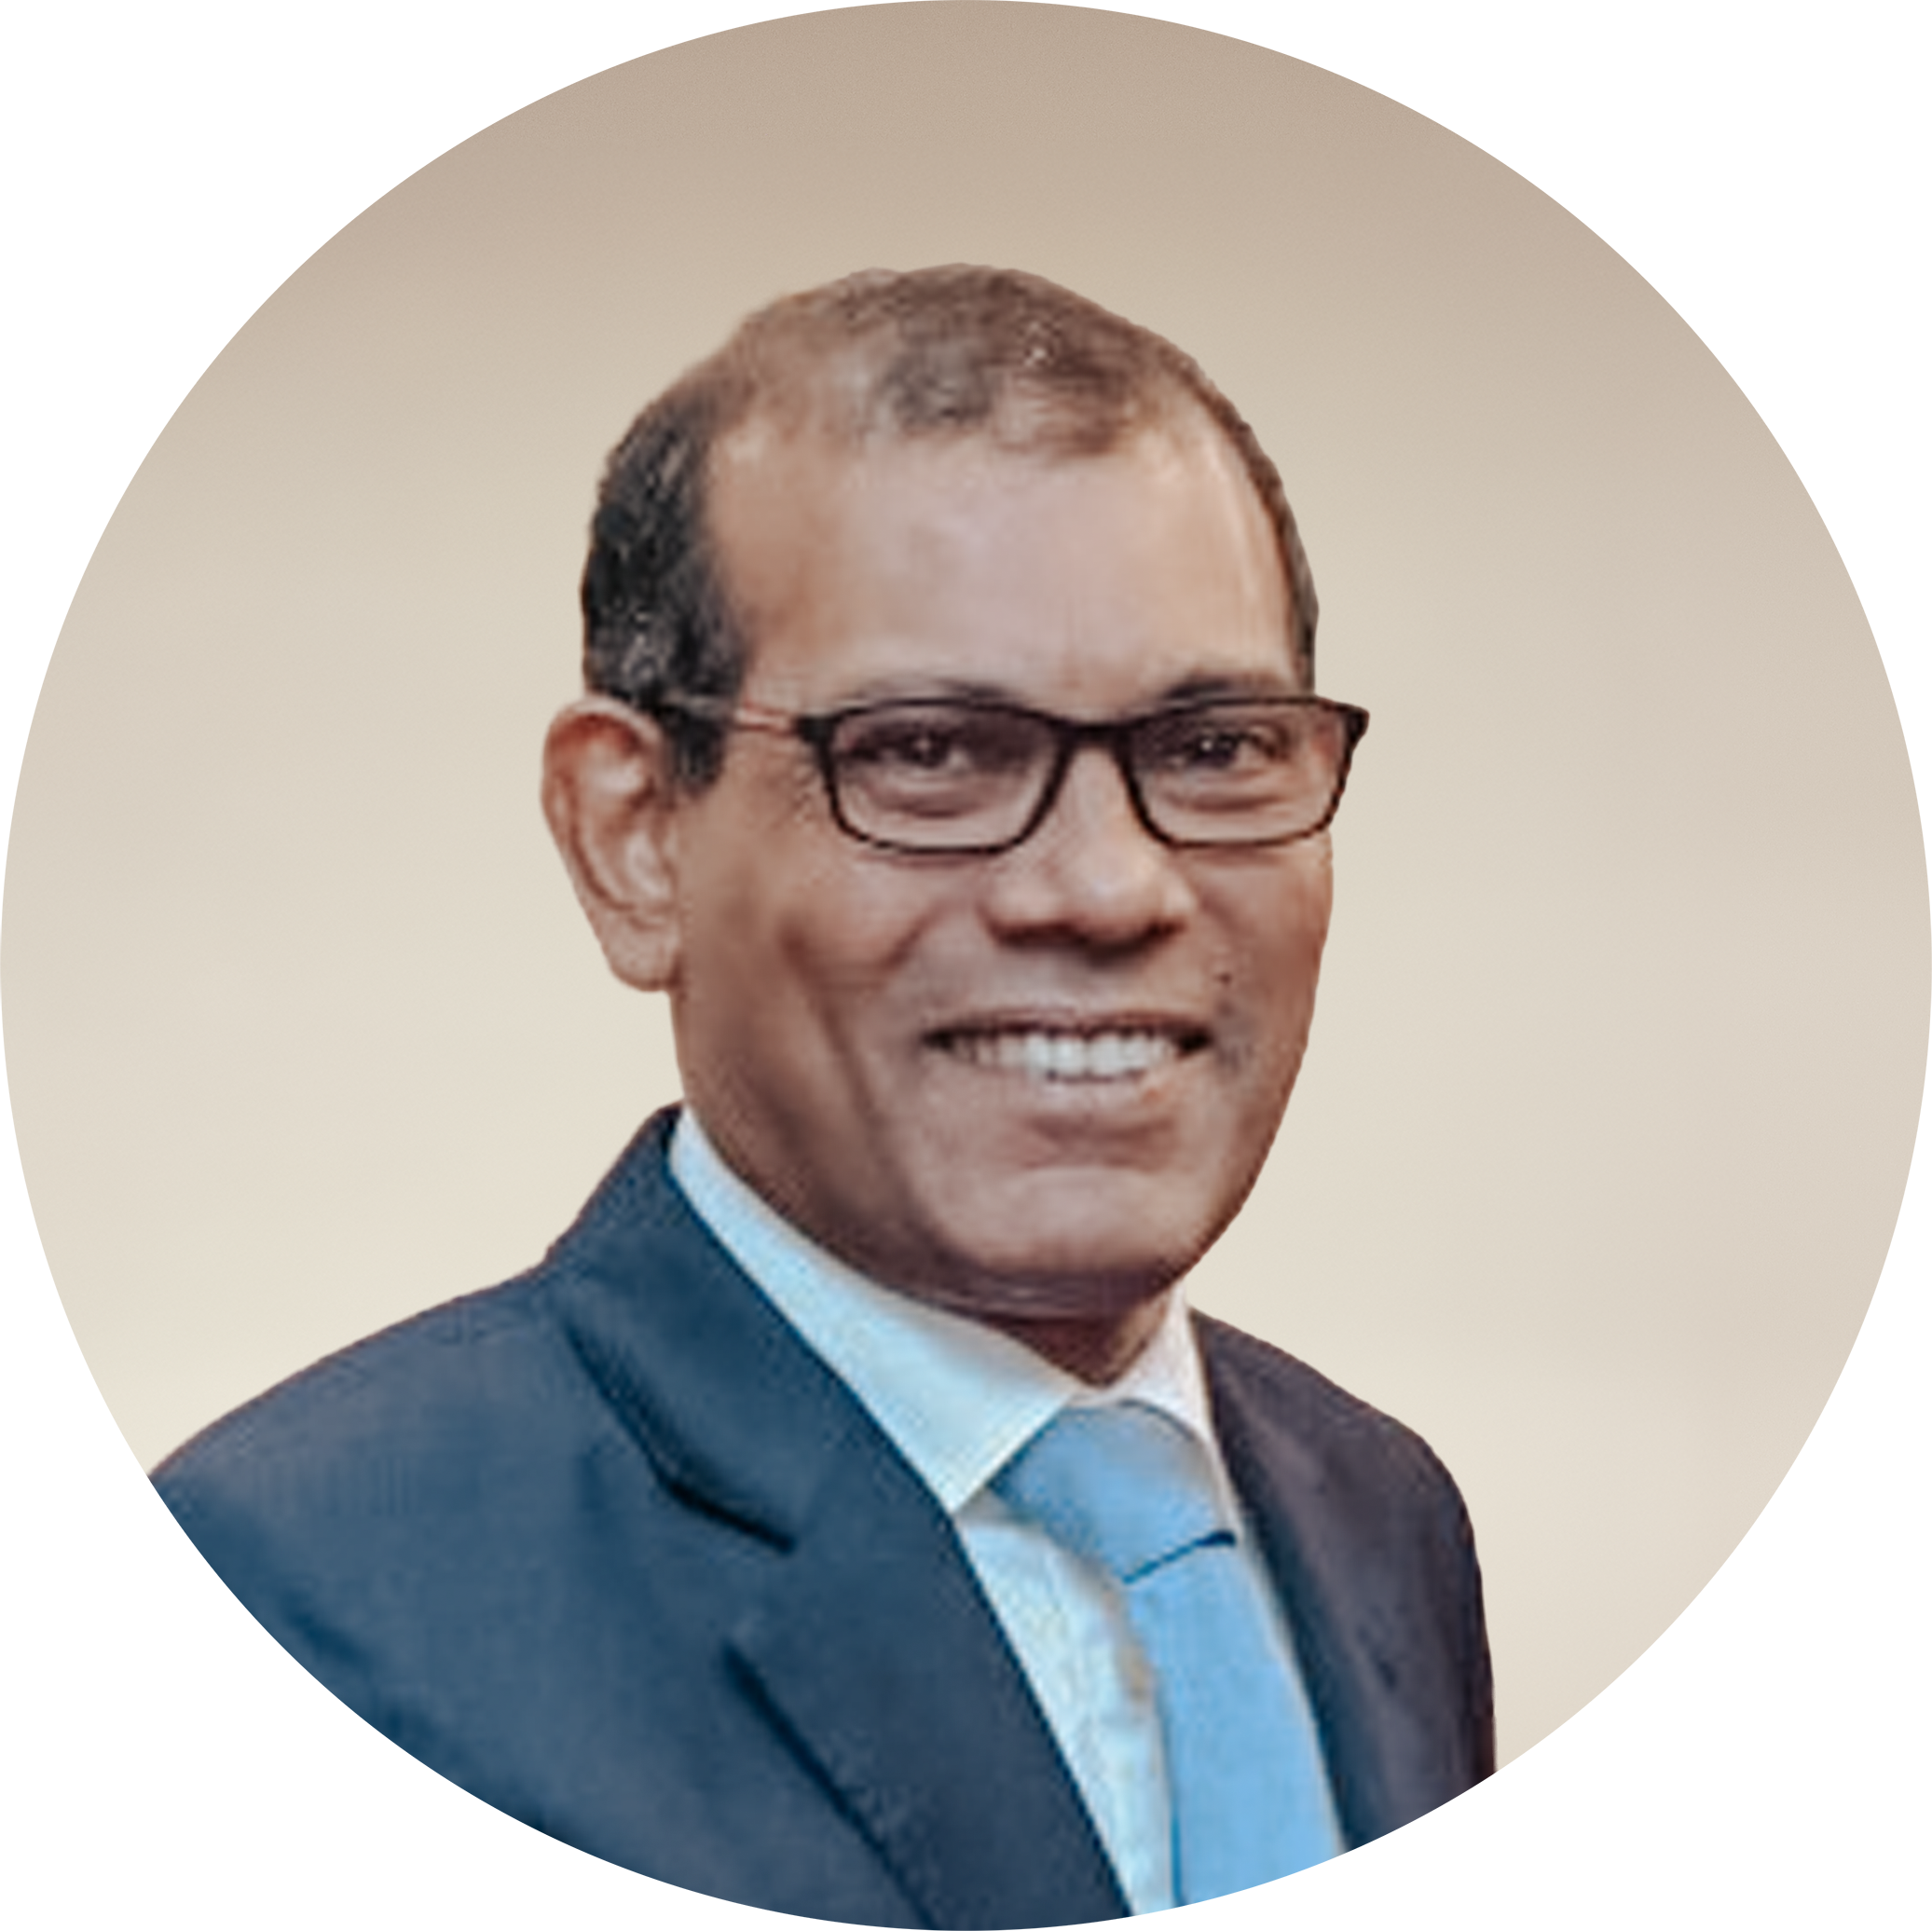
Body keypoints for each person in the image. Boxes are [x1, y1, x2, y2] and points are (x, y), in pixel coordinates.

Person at [9, 267, 1492, 1929]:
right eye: (930, 752)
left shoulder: (1374, 1516)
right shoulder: (256, 1625)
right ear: (635, 838)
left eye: (1215, 748)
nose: (1106, 887)